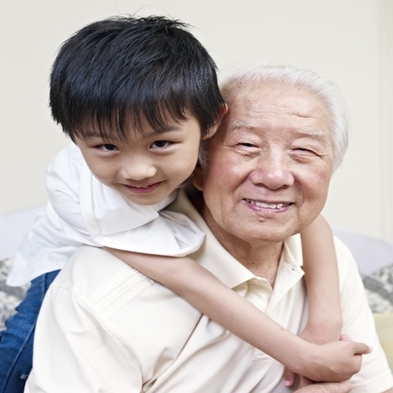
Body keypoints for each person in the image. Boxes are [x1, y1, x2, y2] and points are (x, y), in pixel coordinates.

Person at [1, 15, 360, 392]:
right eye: (107, 146)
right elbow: (192, 283)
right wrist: (300, 354)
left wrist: (324, 320)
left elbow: (308, 217)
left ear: (209, 126)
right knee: (14, 361)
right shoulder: (82, 197)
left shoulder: (203, 162)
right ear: (75, 137)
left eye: (160, 143)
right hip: (61, 267)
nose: (138, 170)